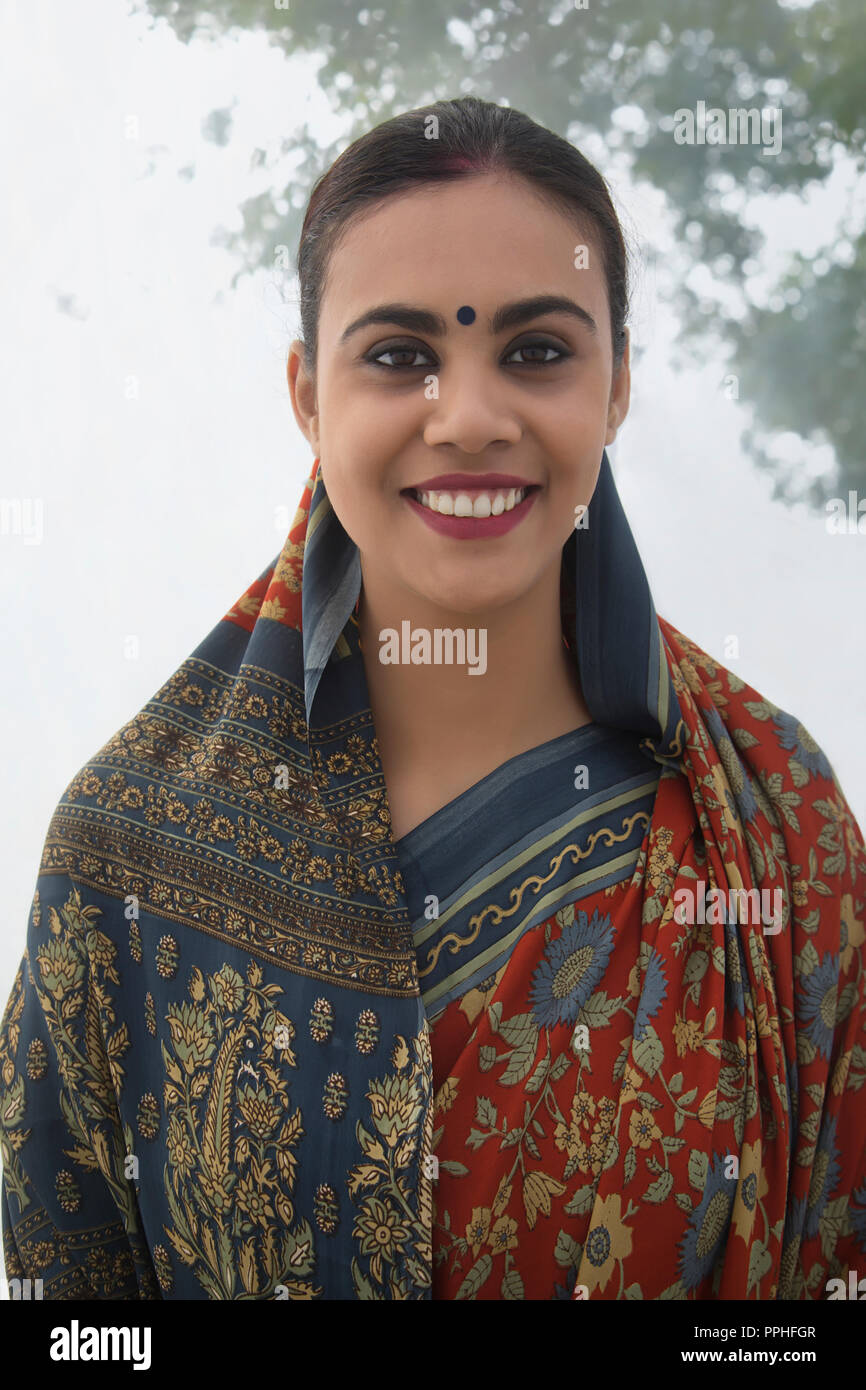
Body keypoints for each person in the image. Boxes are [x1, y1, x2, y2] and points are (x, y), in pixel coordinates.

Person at [1, 95, 864, 1302]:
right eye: (400, 354)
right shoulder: (128, 853)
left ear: (615, 385)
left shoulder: (777, 822)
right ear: (308, 395)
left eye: (536, 351)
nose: (468, 417)